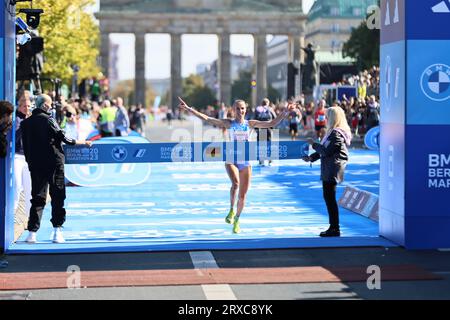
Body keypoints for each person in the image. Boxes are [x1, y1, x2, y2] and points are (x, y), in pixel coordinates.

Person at [178, 97, 292, 234]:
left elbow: (272, 123)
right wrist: (189, 109)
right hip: (231, 158)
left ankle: (237, 220)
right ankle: (231, 210)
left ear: (246, 110)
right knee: (236, 184)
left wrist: (285, 112)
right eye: (237, 108)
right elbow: (208, 119)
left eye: (242, 108)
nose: (240, 111)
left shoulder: (250, 124)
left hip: (245, 160)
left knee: (243, 196)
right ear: (233, 110)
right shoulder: (229, 124)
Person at [21, 94, 92, 244]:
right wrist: (83, 142)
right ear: (45, 105)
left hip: (36, 165)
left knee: (38, 197)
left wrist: (30, 162)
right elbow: (65, 138)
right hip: (54, 163)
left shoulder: (26, 123)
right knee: (57, 195)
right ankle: (57, 230)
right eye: (50, 104)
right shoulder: (49, 120)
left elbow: (25, 147)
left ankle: (32, 233)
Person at [302, 106, 352, 237]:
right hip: (330, 167)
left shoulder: (336, 133)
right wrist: (311, 158)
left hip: (332, 169)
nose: (325, 118)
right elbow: (324, 150)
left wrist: (313, 143)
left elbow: (325, 151)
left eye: (328, 116)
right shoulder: (333, 132)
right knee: (329, 197)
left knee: (330, 198)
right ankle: (333, 227)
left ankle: (334, 228)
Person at [14, 92, 32, 216]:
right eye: (24, 106)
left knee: (29, 189)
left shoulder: (31, 119)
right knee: (16, 186)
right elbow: (15, 137)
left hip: (29, 158)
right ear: (19, 107)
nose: (27, 108)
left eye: (29, 106)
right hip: (17, 156)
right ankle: (12, 214)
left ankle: (30, 218)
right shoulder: (16, 119)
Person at [254, 98, 276, 166]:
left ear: (262, 103)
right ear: (268, 103)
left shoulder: (258, 109)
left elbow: (254, 118)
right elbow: (275, 117)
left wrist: (256, 128)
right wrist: (272, 127)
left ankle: (261, 161)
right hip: (268, 128)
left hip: (260, 128)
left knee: (261, 145)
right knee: (269, 144)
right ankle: (270, 160)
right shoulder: (270, 109)